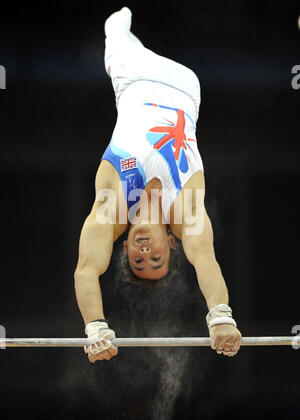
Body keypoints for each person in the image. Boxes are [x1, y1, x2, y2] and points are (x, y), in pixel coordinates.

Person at [74, 7, 242, 362]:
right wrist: (221, 316)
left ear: (124, 249)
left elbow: (87, 269)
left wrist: (96, 327)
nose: (145, 252)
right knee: (123, 39)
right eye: (156, 259)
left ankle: (121, 21)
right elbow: (206, 259)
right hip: (185, 87)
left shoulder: (112, 207)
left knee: (116, 33)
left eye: (138, 260)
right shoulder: (185, 213)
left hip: (133, 78)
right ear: (170, 243)